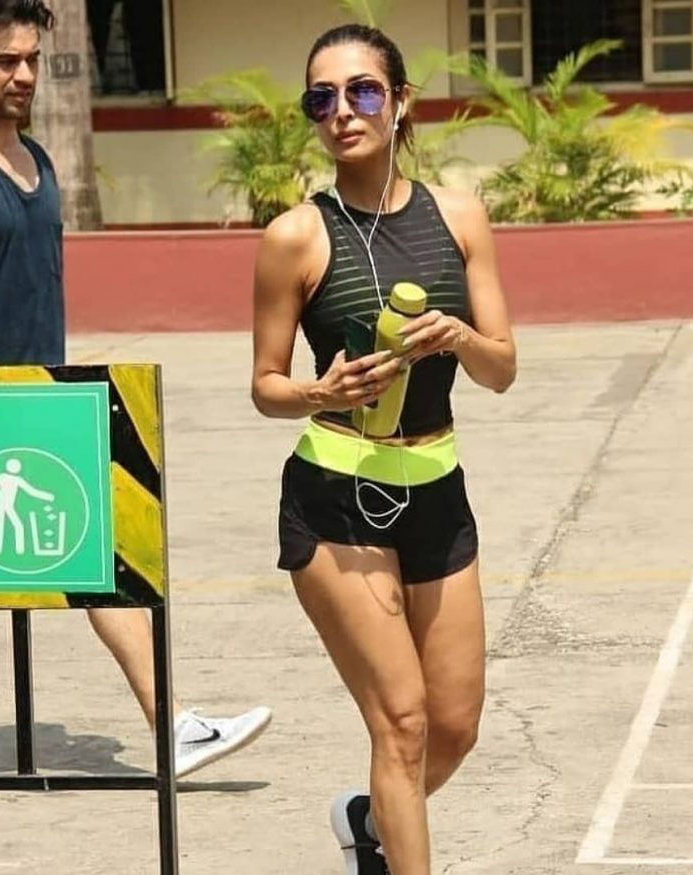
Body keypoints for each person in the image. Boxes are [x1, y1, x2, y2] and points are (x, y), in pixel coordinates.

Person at [0, 0, 270, 779]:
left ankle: (173, 726)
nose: (24, 74)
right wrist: (3, 399)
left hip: (38, 403)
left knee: (100, 561)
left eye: (31, 58)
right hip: (0, 410)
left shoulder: (33, 157)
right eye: (5, 60)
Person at [251, 23, 516, 875]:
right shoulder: (295, 235)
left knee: (454, 724)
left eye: (362, 91)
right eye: (321, 98)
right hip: (335, 493)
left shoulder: (459, 215)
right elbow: (264, 382)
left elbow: (503, 369)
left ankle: (368, 820)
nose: (342, 112)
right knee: (399, 719)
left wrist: (458, 336)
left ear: (400, 103)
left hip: (437, 486)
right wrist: (318, 393)